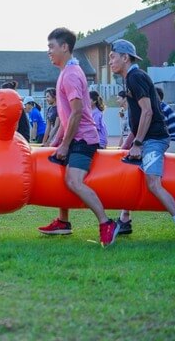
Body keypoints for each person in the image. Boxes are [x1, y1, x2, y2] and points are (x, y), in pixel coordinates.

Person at [110, 39, 175, 245]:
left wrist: (138, 143)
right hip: (148, 138)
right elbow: (139, 115)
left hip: (154, 139)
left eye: (113, 57)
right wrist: (131, 143)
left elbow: (148, 111)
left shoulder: (135, 77)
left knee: (154, 183)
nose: (110, 61)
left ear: (125, 57)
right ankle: (125, 220)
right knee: (132, 175)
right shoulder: (130, 77)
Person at [39, 28, 119, 246]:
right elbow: (66, 117)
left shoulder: (72, 74)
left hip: (83, 139)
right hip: (74, 136)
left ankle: (107, 223)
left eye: (51, 47)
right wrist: (56, 143)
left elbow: (76, 113)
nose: (49, 52)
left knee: (73, 180)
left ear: (64, 47)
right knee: (59, 177)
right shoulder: (66, 72)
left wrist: (64, 145)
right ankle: (63, 222)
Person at [117, 86, 175, 235]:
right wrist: (126, 146)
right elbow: (137, 130)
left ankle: (125, 217)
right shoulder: (148, 106)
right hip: (157, 141)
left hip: (172, 140)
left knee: (149, 171)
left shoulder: (157, 107)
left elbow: (148, 130)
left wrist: (130, 145)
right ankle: (124, 216)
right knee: (137, 170)